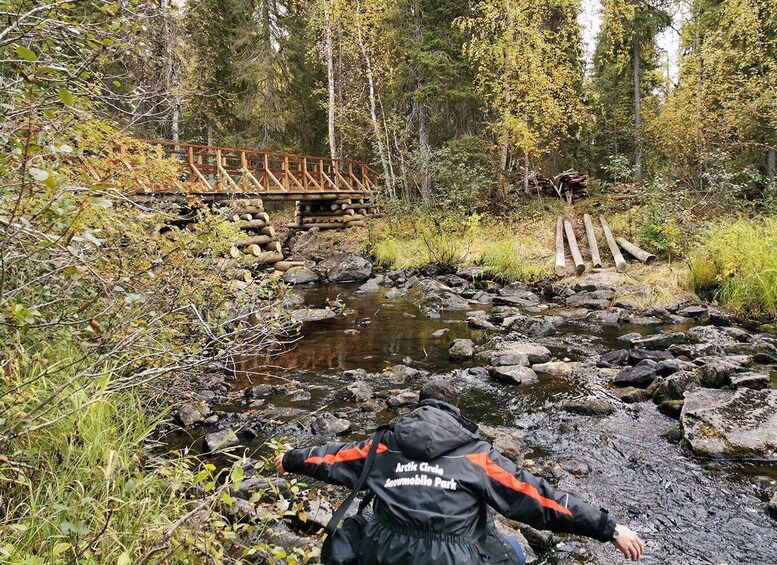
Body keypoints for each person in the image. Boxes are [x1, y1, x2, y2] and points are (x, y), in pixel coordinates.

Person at [274, 379, 645, 564]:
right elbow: (540, 499)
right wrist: (608, 527)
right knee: (514, 550)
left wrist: (289, 459)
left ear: (419, 408)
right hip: (454, 557)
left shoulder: (383, 444)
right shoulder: (477, 456)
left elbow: (328, 459)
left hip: (384, 548)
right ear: (456, 411)